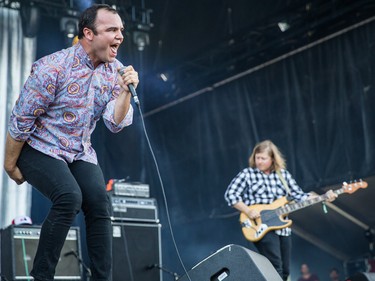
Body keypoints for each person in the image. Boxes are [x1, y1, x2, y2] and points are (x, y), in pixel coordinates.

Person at [3, 4, 138, 281]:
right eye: (112, 29)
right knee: (69, 197)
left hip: (78, 150)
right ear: (88, 33)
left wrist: (125, 92)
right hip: (39, 145)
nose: (120, 36)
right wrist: (9, 164)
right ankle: (41, 277)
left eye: (121, 30)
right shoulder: (53, 67)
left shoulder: (116, 72)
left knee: (100, 204)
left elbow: (115, 123)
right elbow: (21, 120)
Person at [224, 140, 336, 281]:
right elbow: (230, 194)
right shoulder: (248, 174)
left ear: (272, 159)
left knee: (285, 270)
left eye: (263, 158)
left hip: (282, 227)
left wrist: (323, 197)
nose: (259, 161)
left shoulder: (283, 175)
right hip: (259, 225)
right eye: (257, 158)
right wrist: (248, 211)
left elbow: (299, 196)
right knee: (275, 265)